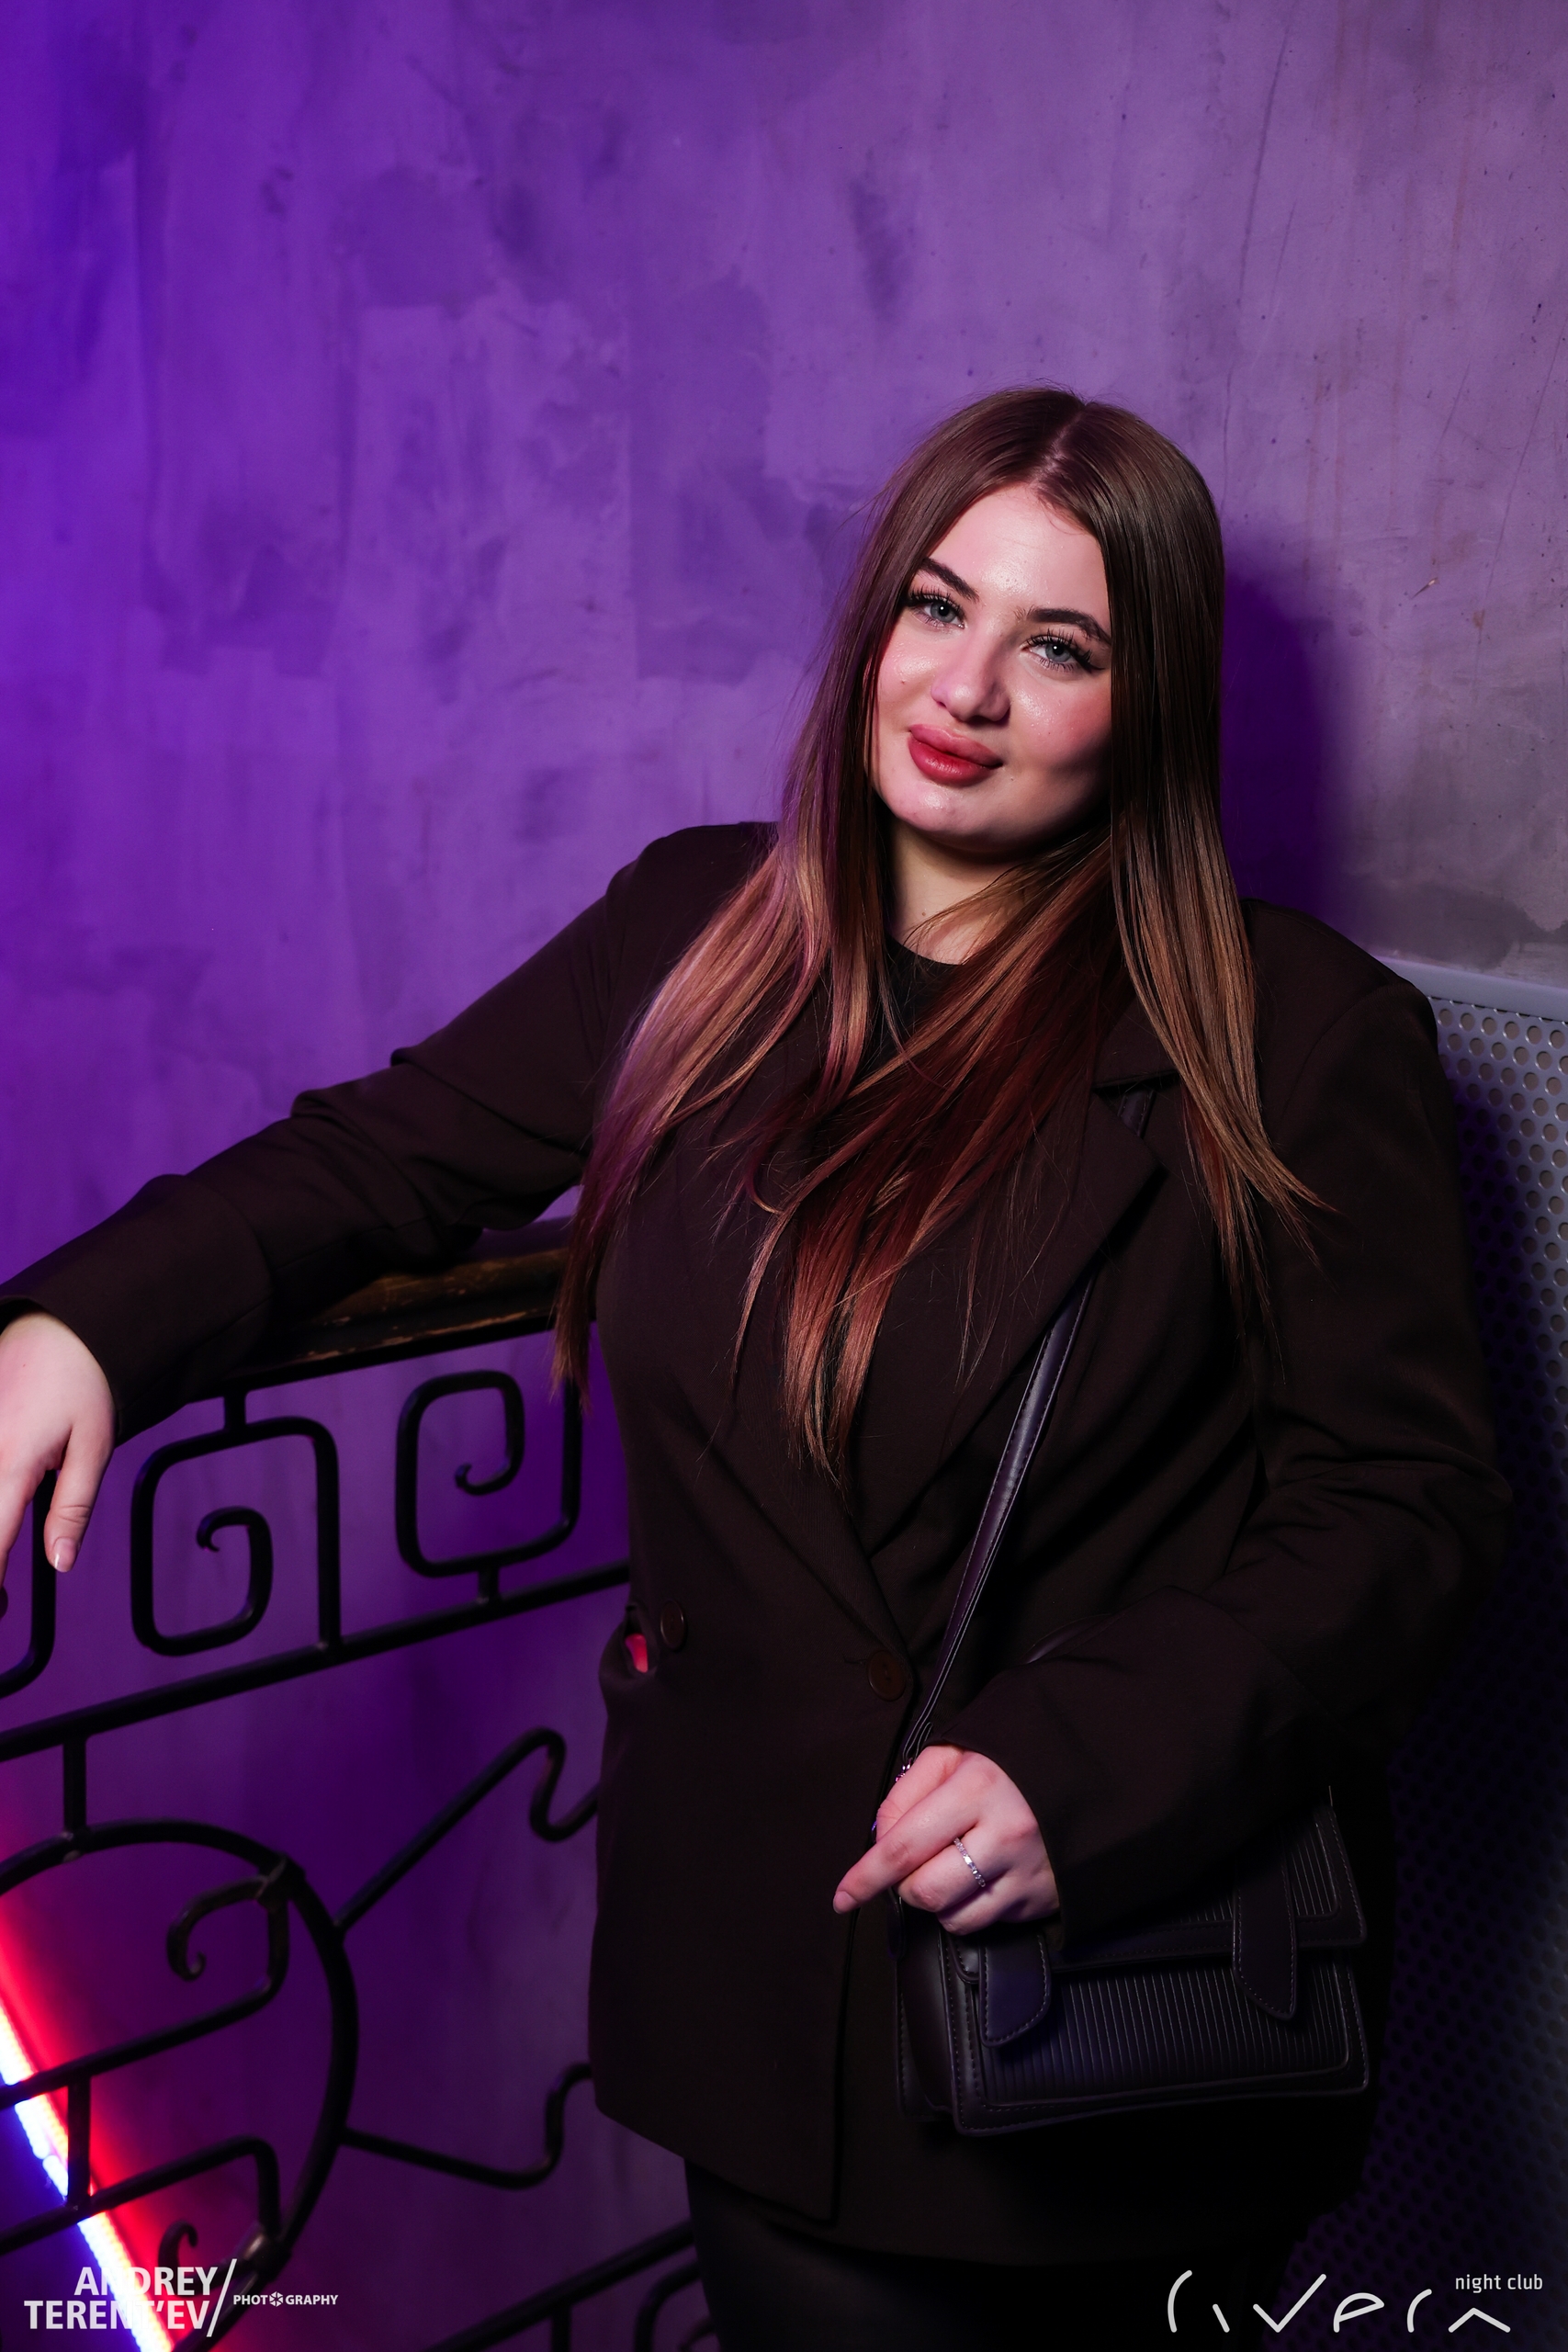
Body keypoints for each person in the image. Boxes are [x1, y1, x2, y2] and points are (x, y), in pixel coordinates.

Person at [0, 390, 1509, 2348]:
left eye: (1057, 645)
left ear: (1148, 706)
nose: (964, 687)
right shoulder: (693, 927)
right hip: (762, 1978)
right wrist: (81, 1320)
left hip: (1099, 2022)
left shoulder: (1292, 1030)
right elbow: (383, 1156)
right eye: (936, 606)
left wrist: (1088, 1761)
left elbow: (1401, 1508)